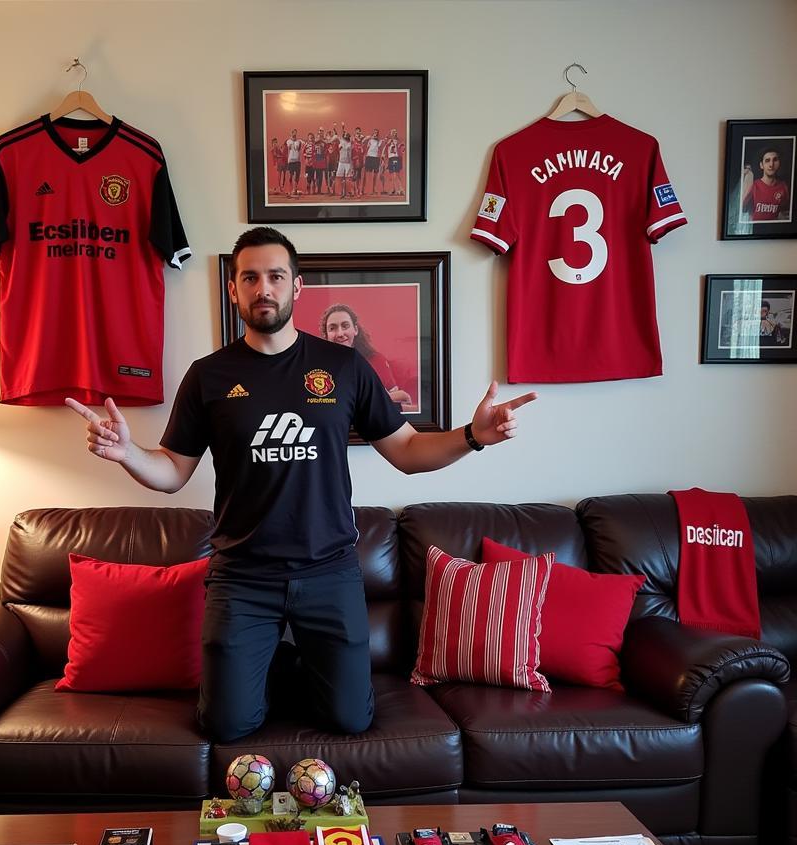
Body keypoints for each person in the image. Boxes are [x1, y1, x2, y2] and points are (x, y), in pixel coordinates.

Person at [66, 227, 537, 743]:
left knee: (350, 720)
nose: (263, 287)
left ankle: (283, 662)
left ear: (297, 287)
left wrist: (473, 436)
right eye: (250, 277)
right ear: (233, 289)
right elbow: (174, 471)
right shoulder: (209, 375)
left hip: (329, 572)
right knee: (226, 724)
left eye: (275, 276)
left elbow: (406, 451)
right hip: (243, 578)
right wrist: (129, 454)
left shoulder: (343, 366)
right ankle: (262, 664)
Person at [320, 302, 413, 410]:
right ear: (326, 335)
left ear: (355, 330)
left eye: (345, 326)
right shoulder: (319, 366)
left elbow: (401, 398)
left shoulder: (376, 360)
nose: (340, 333)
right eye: (332, 328)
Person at [741, 147, 791, 222]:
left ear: (779, 163)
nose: (771, 164)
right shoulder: (753, 185)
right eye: (767, 161)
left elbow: (786, 214)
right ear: (761, 165)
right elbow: (741, 210)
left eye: (775, 160)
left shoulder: (784, 187)